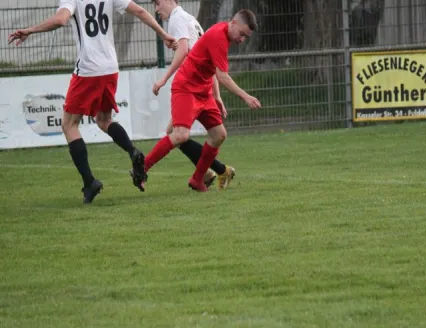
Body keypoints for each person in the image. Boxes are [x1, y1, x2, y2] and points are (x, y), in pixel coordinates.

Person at [8, 0, 177, 204]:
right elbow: (140, 10)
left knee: (69, 124)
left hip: (88, 69)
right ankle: (133, 151)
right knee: (104, 120)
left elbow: (61, 19)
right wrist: (163, 34)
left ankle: (89, 182)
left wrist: (30, 30)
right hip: (110, 68)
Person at [142, 9, 261, 192]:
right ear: (233, 23)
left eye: (246, 37)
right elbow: (222, 76)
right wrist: (245, 96)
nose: (242, 40)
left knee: (218, 135)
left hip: (203, 91)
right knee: (179, 135)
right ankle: (141, 168)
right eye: (242, 34)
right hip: (187, 87)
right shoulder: (214, 35)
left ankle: (199, 179)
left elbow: (212, 69)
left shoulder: (222, 35)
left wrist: (217, 96)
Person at [150, 0, 235, 190]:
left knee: (176, 134)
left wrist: (163, 79)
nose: (157, 10)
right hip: (200, 86)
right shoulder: (191, 20)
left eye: (157, 4)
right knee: (176, 134)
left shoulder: (176, 18)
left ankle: (218, 170)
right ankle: (210, 172)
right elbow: (207, 60)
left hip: (191, 87)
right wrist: (216, 95)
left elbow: (184, 50)